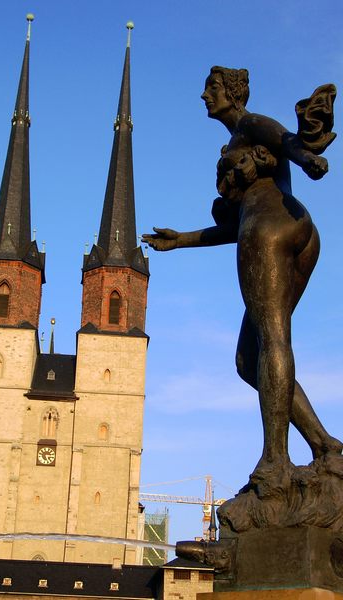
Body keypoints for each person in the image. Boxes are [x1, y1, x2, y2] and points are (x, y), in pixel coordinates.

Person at [142, 66, 340, 489]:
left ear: (233, 93)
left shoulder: (250, 124)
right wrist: (182, 240)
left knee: (271, 338)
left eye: (211, 88)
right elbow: (234, 228)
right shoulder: (237, 140)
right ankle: (324, 444)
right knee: (249, 360)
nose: (204, 96)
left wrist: (308, 159)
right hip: (293, 226)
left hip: (268, 228)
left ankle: (275, 460)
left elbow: (286, 140)